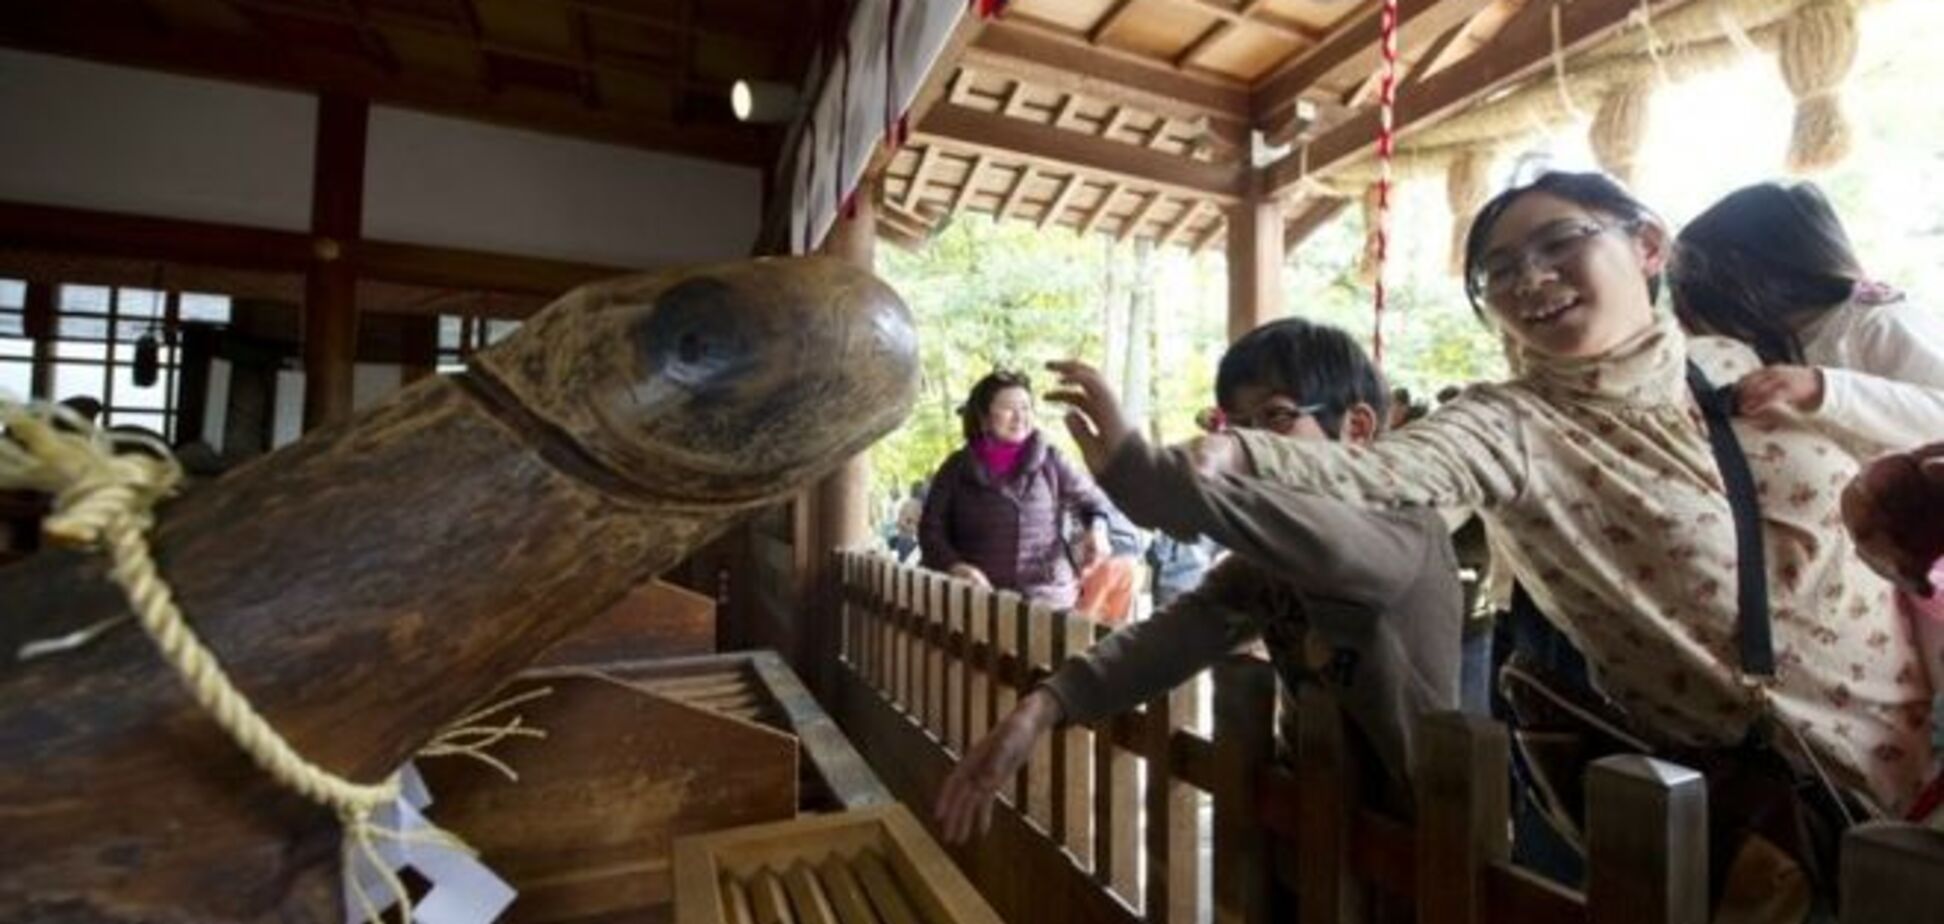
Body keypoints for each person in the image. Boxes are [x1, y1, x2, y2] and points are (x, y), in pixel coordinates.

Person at [1142, 172, 1932, 911]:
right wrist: (1247, 455)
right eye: (1499, 269)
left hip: (1923, 762)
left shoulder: (1744, 359)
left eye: (1560, 243)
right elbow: (1391, 473)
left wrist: (1834, 398)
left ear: (1648, 245)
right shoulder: (1510, 424)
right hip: (1765, 820)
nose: (1530, 276)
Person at [933, 320, 1464, 843]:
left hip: (1420, 848)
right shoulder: (1268, 565)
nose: (1244, 444)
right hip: (1311, 831)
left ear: (1358, 429)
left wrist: (1139, 471)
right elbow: (1172, 636)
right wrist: (1042, 707)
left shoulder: (1404, 533)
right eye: (1231, 425)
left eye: (1275, 418)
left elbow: (1322, 542)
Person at [1670, 180, 1944, 448]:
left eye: (1692, 285)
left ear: (1748, 275)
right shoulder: (1773, 342)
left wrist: (1822, 389)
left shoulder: (1878, 321)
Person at [918, 371, 1112, 609]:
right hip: (979, 602)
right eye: (1009, 408)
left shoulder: (1052, 460)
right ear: (984, 418)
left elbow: (1094, 503)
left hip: (1048, 601)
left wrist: (1098, 530)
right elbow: (930, 530)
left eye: (1026, 407)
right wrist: (955, 566)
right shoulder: (956, 468)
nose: (1020, 416)